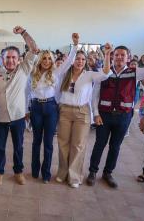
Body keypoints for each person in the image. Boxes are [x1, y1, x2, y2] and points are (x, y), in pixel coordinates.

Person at [87, 37, 144, 188]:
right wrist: (95, 113)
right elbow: (95, 94)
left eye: (123, 55)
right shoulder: (105, 72)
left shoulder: (135, 72)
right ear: (113, 57)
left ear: (128, 57)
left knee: (115, 146)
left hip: (123, 117)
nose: (120, 57)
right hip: (104, 115)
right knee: (99, 144)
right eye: (117, 55)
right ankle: (92, 172)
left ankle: (108, 173)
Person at [56, 43, 112, 188]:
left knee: (78, 145)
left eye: (82, 59)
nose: (80, 61)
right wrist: (74, 46)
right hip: (65, 111)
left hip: (82, 113)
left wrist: (106, 54)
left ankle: (74, 176)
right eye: (77, 59)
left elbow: (105, 73)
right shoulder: (64, 73)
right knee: (63, 143)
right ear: (72, 60)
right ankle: (62, 173)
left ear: (85, 61)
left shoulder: (89, 75)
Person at [27, 33, 79, 183]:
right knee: (36, 141)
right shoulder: (33, 74)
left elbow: (69, 62)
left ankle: (46, 173)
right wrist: (26, 110)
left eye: (49, 58)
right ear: (40, 60)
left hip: (50, 108)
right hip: (36, 107)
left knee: (48, 143)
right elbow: (27, 92)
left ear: (52, 60)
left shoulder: (56, 73)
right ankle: (35, 170)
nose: (47, 61)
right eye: (44, 58)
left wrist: (75, 46)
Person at [0, 26, 38, 186]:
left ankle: (18, 171)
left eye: (13, 57)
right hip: (0, 116)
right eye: (7, 57)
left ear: (19, 59)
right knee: (0, 147)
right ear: (2, 59)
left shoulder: (24, 69)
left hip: (18, 116)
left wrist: (24, 33)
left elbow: (34, 48)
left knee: (18, 146)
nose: (10, 60)